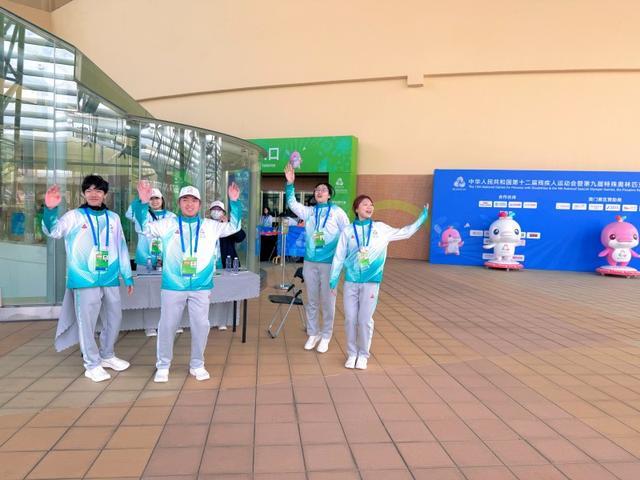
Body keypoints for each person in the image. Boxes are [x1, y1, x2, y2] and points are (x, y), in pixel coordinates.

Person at [133, 180, 242, 383]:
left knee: (201, 325)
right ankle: (163, 365)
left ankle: (197, 364)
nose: (189, 204)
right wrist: (142, 203)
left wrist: (234, 203)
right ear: (179, 203)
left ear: (199, 204)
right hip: (173, 285)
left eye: (193, 200)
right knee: (167, 325)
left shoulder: (210, 226)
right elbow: (143, 228)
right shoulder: (168, 224)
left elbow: (235, 226)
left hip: (201, 286)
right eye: (185, 200)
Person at [42, 175, 134, 382]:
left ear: (105, 194)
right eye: (89, 190)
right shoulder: (74, 216)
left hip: (110, 277)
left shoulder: (113, 218)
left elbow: (121, 246)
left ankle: (107, 355)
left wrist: (127, 276)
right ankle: (92, 364)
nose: (94, 194)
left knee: (114, 318)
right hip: (84, 279)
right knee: (87, 322)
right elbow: (53, 231)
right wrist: (50, 210)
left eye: (98, 190)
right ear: (83, 193)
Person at [329, 195, 428, 370]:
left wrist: (422, 217)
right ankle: (352, 354)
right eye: (365, 204)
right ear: (356, 209)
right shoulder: (348, 231)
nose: (369, 207)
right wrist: (333, 280)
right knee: (350, 319)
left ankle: (363, 355)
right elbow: (338, 256)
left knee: (364, 320)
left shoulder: (381, 229)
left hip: (371, 282)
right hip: (351, 281)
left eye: (371, 204)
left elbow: (405, 232)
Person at [284, 164, 350, 353]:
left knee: (328, 302)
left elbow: (348, 235)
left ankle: (326, 335)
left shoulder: (337, 212)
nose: (320, 192)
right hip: (310, 262)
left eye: (323, 190)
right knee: (311, 300)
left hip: (329, 264)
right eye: (317, 189)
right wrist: (290, 184)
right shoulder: (310, 212)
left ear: (329, 195)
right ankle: (313, 333)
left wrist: (345, 260)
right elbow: (292, 204)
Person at [126, 188, 178, 337]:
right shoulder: (142, 214)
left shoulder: (171, 216)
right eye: (151, 198)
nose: (154, 201)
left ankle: (170, 324)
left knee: (169, 293)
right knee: (147, 293)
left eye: (157, 198)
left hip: (166, 260)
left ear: (162, 200)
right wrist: (141, 199)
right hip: (145, 258)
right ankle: (149, 325)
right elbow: (129, 213)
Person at [209, 200, 246, 330]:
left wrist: (229, 222)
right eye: (214, 209)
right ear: (210, 212)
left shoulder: (229, 226)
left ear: (224, 212)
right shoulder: (206, 225)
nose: (216, 212)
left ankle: (223, 320)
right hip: (210, 265)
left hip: (227, 263)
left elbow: (241, 237)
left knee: (226, 293)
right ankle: (211, 319)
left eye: (219, 209)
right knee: (211, 293)